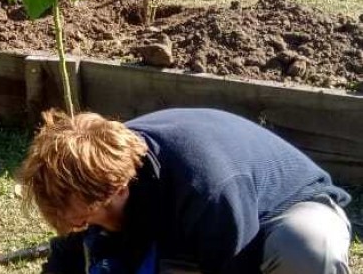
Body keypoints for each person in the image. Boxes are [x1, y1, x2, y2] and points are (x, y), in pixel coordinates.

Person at [19, 108, 352, 274]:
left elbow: (233, 266)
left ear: (118, 189)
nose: (82, 228)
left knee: (304, 247)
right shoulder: (88, 179)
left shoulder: (207, 189)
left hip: (285, 209)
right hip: (192, 225)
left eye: (84, 221)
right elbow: (67, 259)